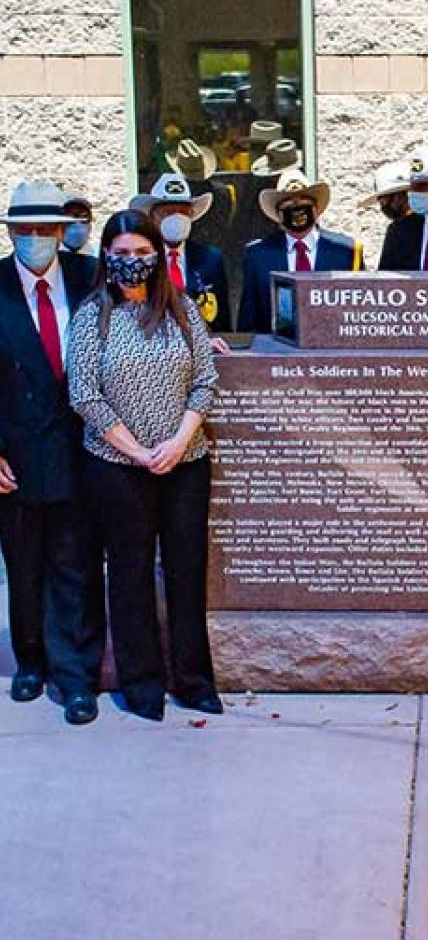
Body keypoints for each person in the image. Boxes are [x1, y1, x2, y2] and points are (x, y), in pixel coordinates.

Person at [68, 209, 222, 721]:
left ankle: (194, 681)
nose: (131, 261)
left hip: (185, 461)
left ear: (157, 254)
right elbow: (84, 393)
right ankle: (142, 684)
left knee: (186, 570)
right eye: (121, 253)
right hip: (117, 466)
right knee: (129, 573)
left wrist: (179, 441)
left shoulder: (181, 308)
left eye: (141, 252)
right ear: (106, 256)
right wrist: (136, 450)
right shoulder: (92, 315)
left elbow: (205, 381)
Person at [0, 181, 103, 725]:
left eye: (46, 228)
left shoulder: (91, 277)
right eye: (26, 229)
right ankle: (30, 661)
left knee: (75, 563)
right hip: (15, 452)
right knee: (23, 564)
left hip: (82, 448)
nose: (36, 237)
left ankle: (76, 675)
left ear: (63, 232)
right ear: (12, 232)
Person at [237, 169, 365, 333]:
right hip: (275, 346)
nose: (297, 209)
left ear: (316, 209)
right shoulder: (258, 255)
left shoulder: (346, 251)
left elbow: (359, 314)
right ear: (278, 215)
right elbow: (248, 324)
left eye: (304, 202)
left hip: (332, 344)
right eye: (289, 205)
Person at [130, 173, 232, 336]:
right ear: (152, 216)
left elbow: (223, 323)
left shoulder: (211, 259)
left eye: (183, 212)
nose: (177, 218)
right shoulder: (140, 260)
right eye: (168, 212)